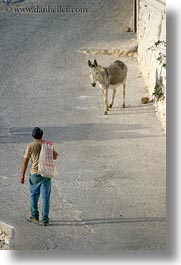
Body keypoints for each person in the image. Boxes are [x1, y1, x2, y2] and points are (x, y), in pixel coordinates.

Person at [20, 127, 58, 226]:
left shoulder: (30, 146)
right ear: (42, 135)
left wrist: (22, 175)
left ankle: (35, 216)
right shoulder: (48, 145)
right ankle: (45, 220)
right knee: (45, 198)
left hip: (35, 174)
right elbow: (55, 156)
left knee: (34, 195)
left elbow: (25, 162)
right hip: (46, 173)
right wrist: (47, 146)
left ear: (33, 136)